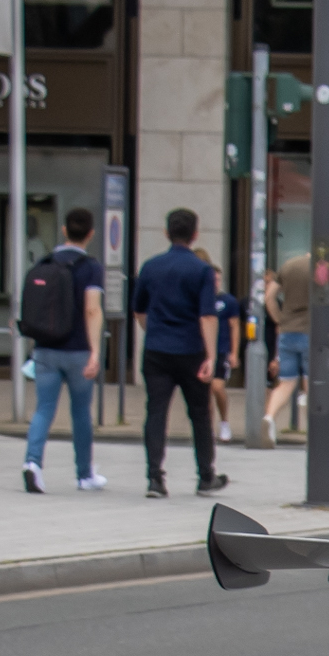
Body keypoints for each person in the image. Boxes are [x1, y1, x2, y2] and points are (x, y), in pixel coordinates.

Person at [130, 208, 224, 498]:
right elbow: (207, 316)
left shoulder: (150, 267)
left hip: (157, 349)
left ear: (166, 233)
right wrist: (210, 356)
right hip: (191, 350)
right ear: (195, 235)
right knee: (199, 413)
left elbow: (139, 310)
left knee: (156, 411)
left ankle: (155, 478)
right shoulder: (202, 270)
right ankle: (206, 476)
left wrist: (154, 330)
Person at [18, 207, 105, 495]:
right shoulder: (91, 267)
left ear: (64, 231)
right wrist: (95, 351)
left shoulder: (47, 262)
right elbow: (92, 309)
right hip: (79, 350)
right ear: (90, 234)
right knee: (80, 412)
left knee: (43, 409)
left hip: (46, 348)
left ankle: (32, 463)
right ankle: (84, 474)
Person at [264, 249, 312, 438]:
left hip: (287, 331)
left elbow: (269, 297)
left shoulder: (288, 266)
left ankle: (269, 418)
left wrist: (280, 320)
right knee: (312, 383)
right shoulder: (321, 268)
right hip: (311, 331)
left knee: (286, 383)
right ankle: (314, 431)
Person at [206, 256, 245, 444]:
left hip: (221, 350)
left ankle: (224, 421)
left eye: (218, 279)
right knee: (204, 391)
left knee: (217, 386)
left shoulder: (227, 301)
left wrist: (234, 352)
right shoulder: (201, 300)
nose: (215, 283)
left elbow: (235, 327)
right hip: (203, 350)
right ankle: (207, 427)